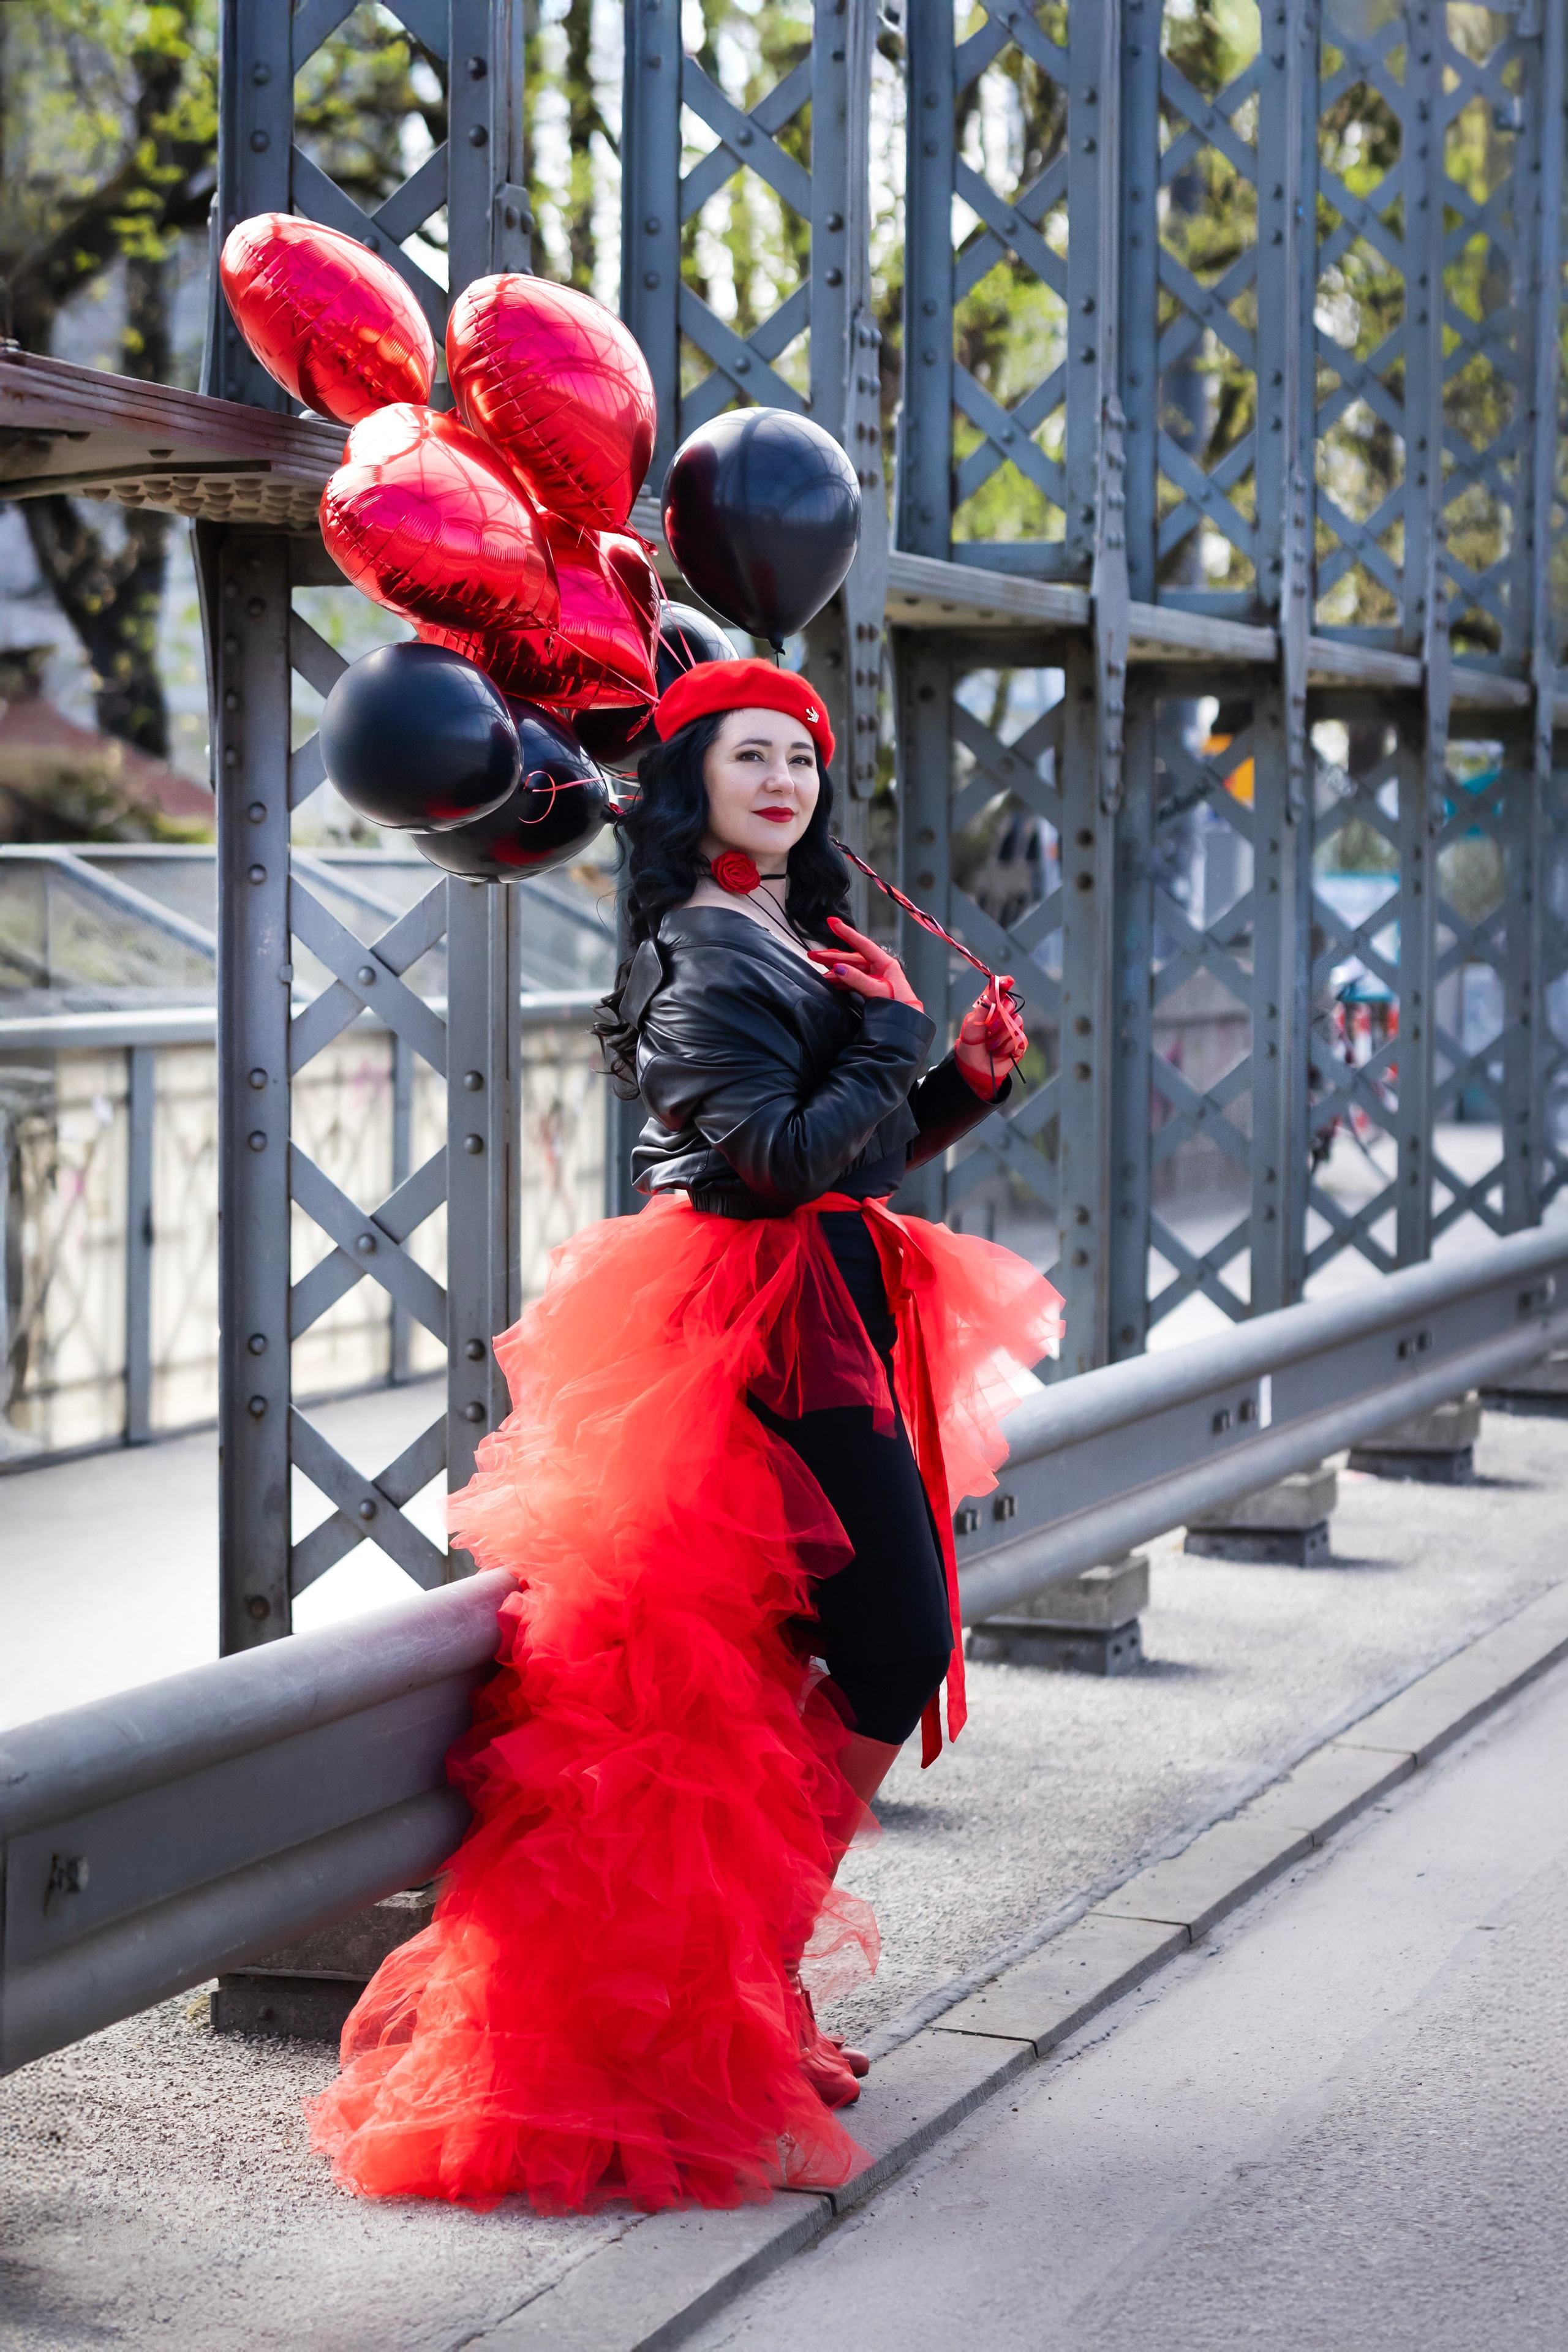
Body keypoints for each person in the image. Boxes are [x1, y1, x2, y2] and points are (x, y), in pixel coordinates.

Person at [307, 658, 1063, 2214]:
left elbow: (837, 1147)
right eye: (747, 758)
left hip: (813, 1305)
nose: (782, 781)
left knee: (822, 1652)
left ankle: (746, 1986)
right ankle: (734, 1990)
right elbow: (777, 1168)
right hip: (751, 1323)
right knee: (887, 1638)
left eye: (800, 757)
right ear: (688, 782)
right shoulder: (703, 946)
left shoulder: (783, 925)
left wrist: (950, 1090)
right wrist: (885, 1040)